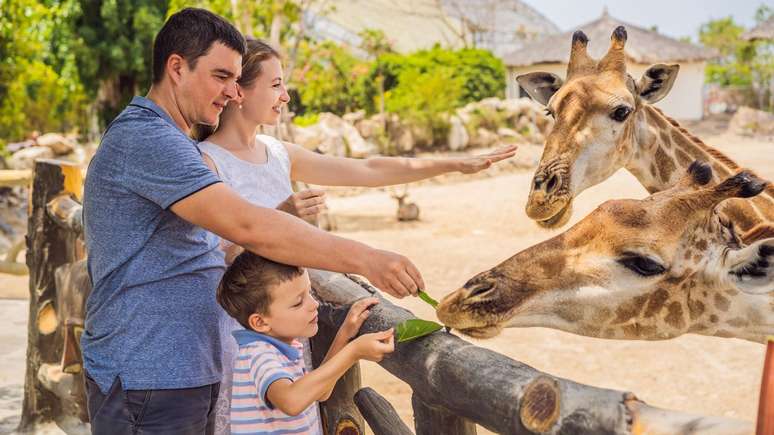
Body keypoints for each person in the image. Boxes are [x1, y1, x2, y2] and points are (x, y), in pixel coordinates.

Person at [81, 8, 423, 435]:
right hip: (149, 374)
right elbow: (247, 227)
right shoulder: (147, 139)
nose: (232, 92)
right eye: (220, 76)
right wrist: (368, 258)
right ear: (176, 67)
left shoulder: (175, 142)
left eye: (236, 78)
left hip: (182, 369)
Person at [194, 38, 518, 434]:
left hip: (289, 321)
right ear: (239, 92)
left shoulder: (278, 152)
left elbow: (369, 169)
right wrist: (282, 217)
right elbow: (217, 257)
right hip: (248, 325)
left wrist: (453, 164)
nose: (286, 94)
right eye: (276, 84)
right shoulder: (206, 161)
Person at [217, 252, 393, 434]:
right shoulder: (258, 354)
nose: (314, 304)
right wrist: (353, 352)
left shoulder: (284, 348)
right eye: (298, 303)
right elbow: (292, 401)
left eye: (309, 293)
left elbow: (321, 392)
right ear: (260, 322)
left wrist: (344, 335)